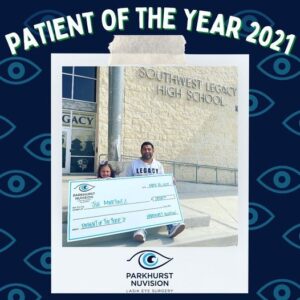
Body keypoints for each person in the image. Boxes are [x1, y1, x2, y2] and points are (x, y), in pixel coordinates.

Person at [126, 141, 185, 242]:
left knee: (166, 202)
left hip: (154, 196)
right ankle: (140, 230)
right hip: (139, 197)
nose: (147, 151)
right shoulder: (134, 164)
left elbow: (162, 181)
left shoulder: (158, 165)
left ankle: (172, 227)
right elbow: (127, 181)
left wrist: (170, 181)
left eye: (149, 149)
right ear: (141, 151)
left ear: (153, 151)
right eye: (144, 149)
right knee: (140, 207)